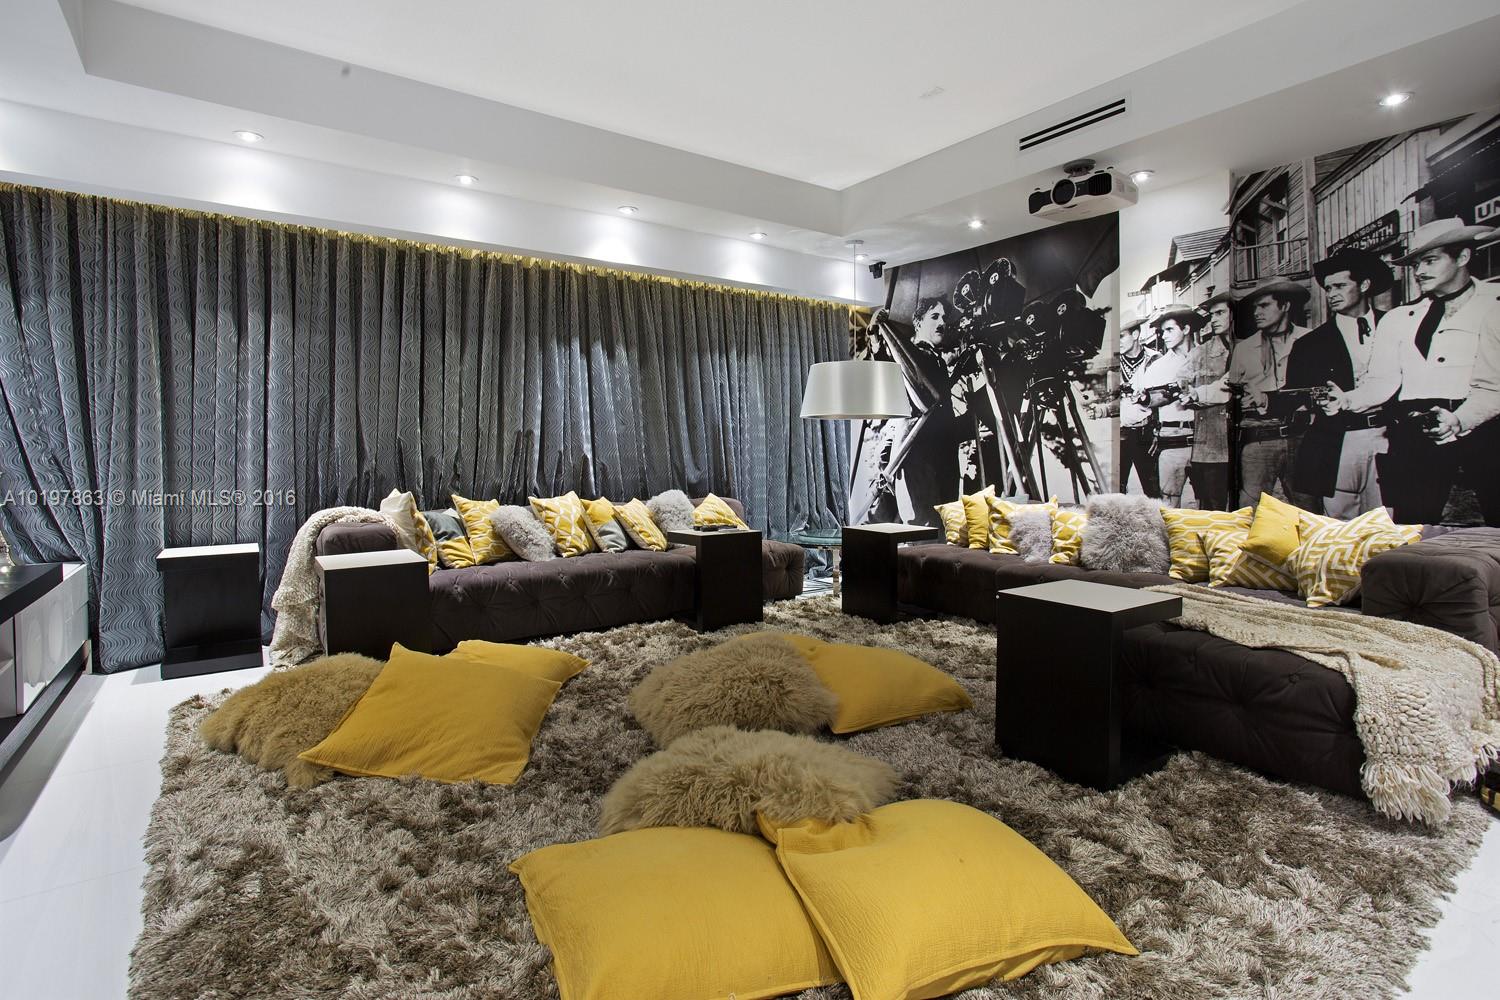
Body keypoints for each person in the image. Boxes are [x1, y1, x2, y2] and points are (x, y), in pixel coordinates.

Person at [1324, 219, 1500, 524]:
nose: (1419, 271)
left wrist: (1460, 419)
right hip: (1414, 435)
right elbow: (1382, 381)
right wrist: (1347, 400)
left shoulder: (1494, 306)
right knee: (1411, 528)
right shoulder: (1399, 318)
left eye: (1430, 261)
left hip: (1485, 432)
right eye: (1416, 263)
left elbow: (1494, 386)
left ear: (1463, 257)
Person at [1280, 248, 1393, 517]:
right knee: (1340, 520)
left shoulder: (1395, 326)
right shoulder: (1310, 344)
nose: (1331, 294)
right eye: (1328, 288)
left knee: (1388, 519)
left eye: (1340, 286)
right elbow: (1296, 393)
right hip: (1337, 440)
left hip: (1389, 436)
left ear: (1364, 285)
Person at [1199, 278, 1315, 507]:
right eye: (1254, 308)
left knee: (1309, 507)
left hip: (1301, 438)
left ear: (1285, 306)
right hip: (1259, 441)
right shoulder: (1243, 349)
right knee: (1250, 509)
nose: (1257, 313)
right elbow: (1230, 391)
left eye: (1264, 306)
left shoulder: (1310, 340)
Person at [1136, 305, 1204, 506]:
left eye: (1169, 330)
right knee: (1169, 503)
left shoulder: (1209, 359)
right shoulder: (1158, 367)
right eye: (1162, 331)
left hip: (1205, 441)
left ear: (1186, 329)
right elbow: (1145, 405)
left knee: (1208, 502)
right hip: (1173, 442)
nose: (1164, 336)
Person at [1178, 290, 1236, 508]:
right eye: (1212, 315)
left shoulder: (1251, 347)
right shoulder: (1200, 353)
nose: (1213, 320)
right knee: (1213, 506)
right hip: (1212, 443)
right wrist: (1190, 394)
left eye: (1220, 313)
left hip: (1246, 439)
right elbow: (1181, 385)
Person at [1117, 314, 1161, 496]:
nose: (1117, 342)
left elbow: (1164, 399)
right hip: (1119, 434)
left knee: (1153, 491)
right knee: (1116, 493)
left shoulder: (1155, 359)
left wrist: (1158, 431)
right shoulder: (1113, 363)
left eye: (1121, 336)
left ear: (1135, 334)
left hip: (1145, 433)